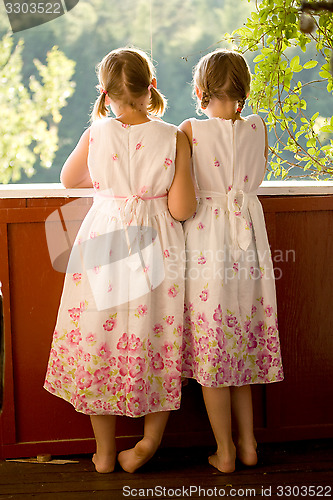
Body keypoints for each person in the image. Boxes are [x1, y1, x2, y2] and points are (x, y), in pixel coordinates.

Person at [44, 47, 196, 474]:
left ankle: (105, 452)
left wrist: (112, 181)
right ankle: (147, 444)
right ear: (151, 88)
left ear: (105, 93)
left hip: (105, 236)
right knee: (158, 333)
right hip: (157, 241)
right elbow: (183, 208)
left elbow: (70, 179)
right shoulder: (174, 136)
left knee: (100, 338)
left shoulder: (97, 133)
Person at [180, 49, 283, 473]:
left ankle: (224, 451)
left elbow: (182, 194)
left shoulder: (189, 130)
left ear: (200, 90)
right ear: (243, 90)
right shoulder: (258, 127)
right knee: (240, 348)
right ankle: (249, 444)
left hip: (209, 243)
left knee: (213, 353)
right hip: (250, 245)